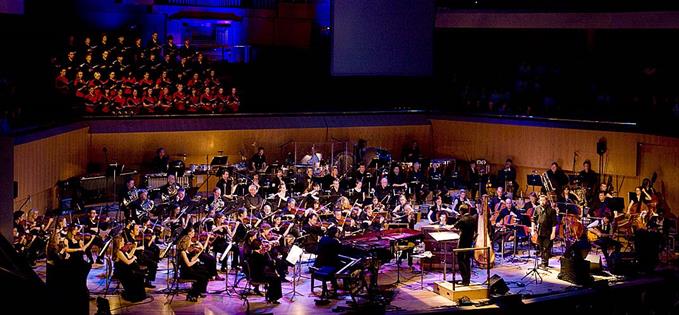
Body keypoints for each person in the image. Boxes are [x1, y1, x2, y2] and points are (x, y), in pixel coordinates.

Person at [177, 227, 211, 302]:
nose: (191, 242)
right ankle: (193, 293)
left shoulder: (187, 251)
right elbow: (189, 264)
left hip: (190, 270)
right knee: (202, 277)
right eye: (189, 241)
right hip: (186, 272)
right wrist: (196, 261)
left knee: (206, 273)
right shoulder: (183, 252)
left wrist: (199, 252)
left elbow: (192, 259)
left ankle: (197, 292)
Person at [111, 236, 147, 302]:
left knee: (140, 275)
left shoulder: (122, 250)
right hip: (122, 273)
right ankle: (135, 296)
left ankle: (139, 295)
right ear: (119, 242)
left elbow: (129, 256)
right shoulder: (119, 252)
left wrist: (134, 248)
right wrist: (134, 258)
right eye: (122, 241)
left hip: (125, 271)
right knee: (138, 277)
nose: (124, 242)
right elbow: (128, 262)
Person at [313, 226, 342, 295]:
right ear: (335, 233)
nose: (338, 234)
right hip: (328, 263)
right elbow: (339, 251)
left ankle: (333, 282)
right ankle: (341, 284)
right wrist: (339, 242)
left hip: (319, 262)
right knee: (343, 266)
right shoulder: (334, 241)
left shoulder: (323, 238)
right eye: (338, 233)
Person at [453, 204, 477, 285]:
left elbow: (454, 227)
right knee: (467, 261)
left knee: (460, 260)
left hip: (462, 243)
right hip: (469, 242)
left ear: (461, 211)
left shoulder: (462, 219)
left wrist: (458, 218)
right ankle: (467, 280)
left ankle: (464, 280)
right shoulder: (473, 219)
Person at [532, 195, 557, 269]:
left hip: (548, 232)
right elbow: (534, 219)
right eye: (541, 200)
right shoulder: (537, 208)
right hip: (539, 231)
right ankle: (543, 262)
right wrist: (533, 230)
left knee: (546, 248)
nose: (542, 202)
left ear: (546, 201)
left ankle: (545, 263)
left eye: (543, 200)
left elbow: (554, 223)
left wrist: (553, 233)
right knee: (540, 247)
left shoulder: (551, 210)